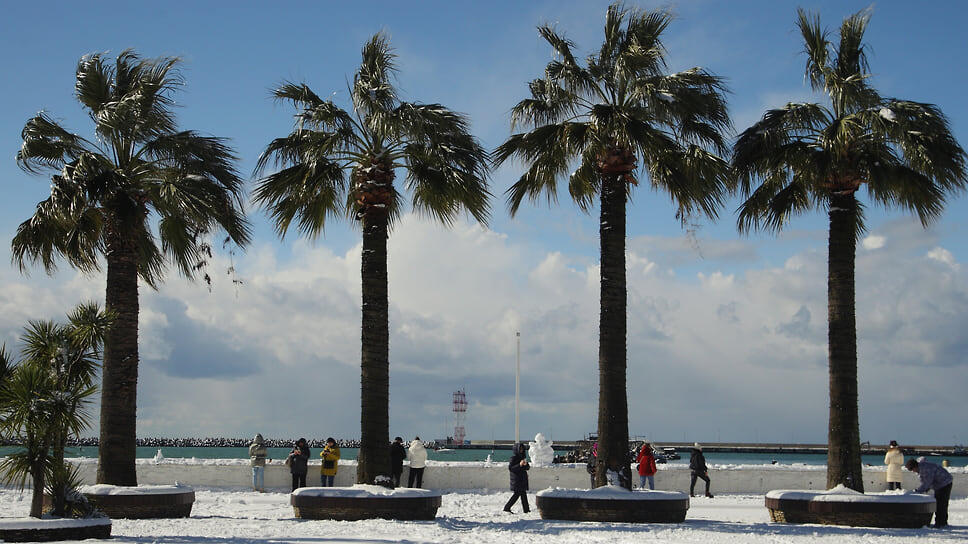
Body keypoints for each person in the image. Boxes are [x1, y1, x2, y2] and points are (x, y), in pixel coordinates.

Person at [906, 458, 953, 528]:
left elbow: (927, 483)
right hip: (941, 484)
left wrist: (917, 491)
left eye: (912, 469)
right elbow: (926, 482)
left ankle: (940, 523)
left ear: (915, 466)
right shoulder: (922, 468)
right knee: (940, 503)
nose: (913, 471)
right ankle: (942, 522)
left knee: (941, 504)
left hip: (944, 483)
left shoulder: (925, 469)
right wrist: (922, 490)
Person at [503, 443, 530, 513]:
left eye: (522, 449)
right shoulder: (513, 458)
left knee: (523, 494)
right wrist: (520, 465)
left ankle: (526, 510)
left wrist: (525, 465)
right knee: (517, 494)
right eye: (520, 449)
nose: (521, 450)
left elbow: (527, 468)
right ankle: (507, 508)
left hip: (522, 479)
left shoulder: (522, 458)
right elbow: (511, 468)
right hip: (517, 479)